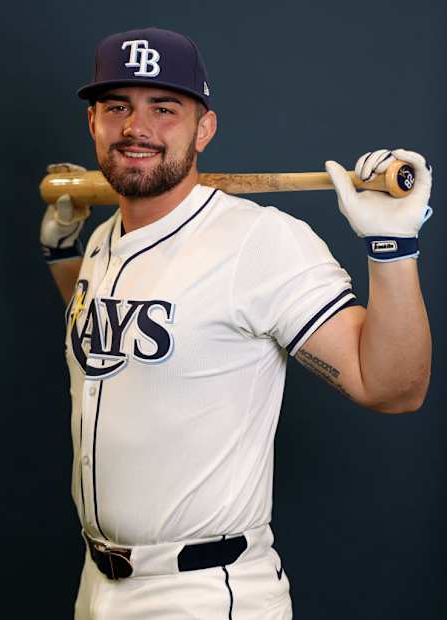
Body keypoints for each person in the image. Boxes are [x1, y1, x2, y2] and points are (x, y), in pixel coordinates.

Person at [40, 27, 432, 620]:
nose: (135, 128)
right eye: (116, 106)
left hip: (203, 590)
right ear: (93, 122)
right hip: (96, 586)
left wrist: (392, 246)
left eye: (163, 109)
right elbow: (110, 342)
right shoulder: (103, 239)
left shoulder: (258, 241)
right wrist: (64, 255)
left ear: (204, 128)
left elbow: (393, 389)